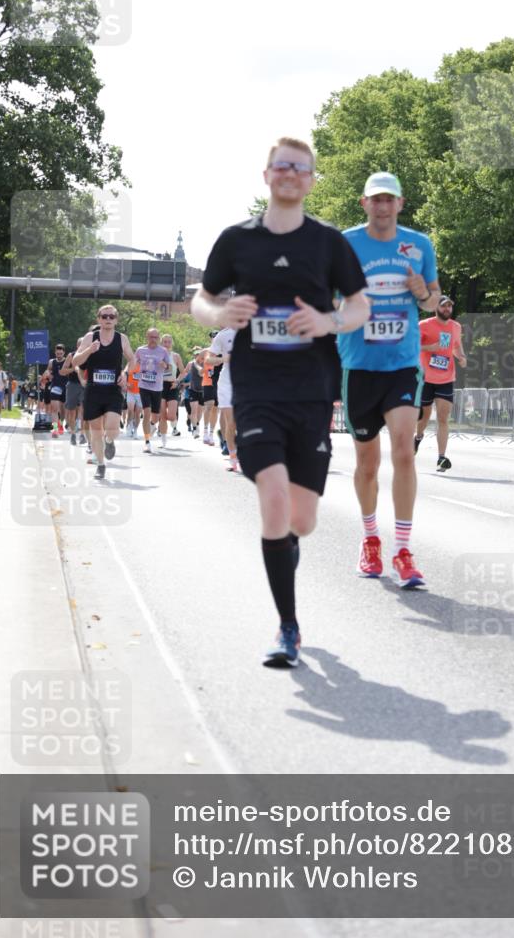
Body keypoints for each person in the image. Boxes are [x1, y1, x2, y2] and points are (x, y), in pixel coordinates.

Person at [191, 136, 369, 668]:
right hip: (256, 390)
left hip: (312, 392)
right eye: (282, 166)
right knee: (271, 497)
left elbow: (359, 305)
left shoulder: (328, 243)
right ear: (267, 175)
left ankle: (284, 550)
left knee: (303, 519)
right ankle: (288, 627)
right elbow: (201, 298)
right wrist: (220, 315)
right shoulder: (237, 241)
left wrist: (329, 322)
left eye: (301, 168)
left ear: (311, 180)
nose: (291, 174)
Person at [339, 171, 441, 588]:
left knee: (403, 451)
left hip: (401, 363)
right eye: (375, 200)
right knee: (367, 464)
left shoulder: (419, 245)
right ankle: (370, 541)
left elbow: (435, 298)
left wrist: (422, 293)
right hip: (359, 364)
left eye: (390, 200)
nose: (382, 206)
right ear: (364, 203)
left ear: (400, 204)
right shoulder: (345, 244)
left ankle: (402, 549)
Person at [73, 306, 133, 479]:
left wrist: (125, 373)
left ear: (116, 319)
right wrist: (89, 350)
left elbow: (133, 359)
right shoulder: (90, 337)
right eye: (104, 316)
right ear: (99, 319)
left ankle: (109, 440)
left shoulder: (122, 339)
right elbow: (76, 361)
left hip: (113, 389)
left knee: (112, 427)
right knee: (96, 430)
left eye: (112, 316)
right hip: (94, 389)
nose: (108, 319)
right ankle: (100, 464)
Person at [414, 296, 466, 469]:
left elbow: (456, 346)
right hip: (425, 378)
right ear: (436, 307)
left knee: (443, 418)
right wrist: (429, 348)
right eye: (444, 306)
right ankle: (418, 437)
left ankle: (441, 457)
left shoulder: (456, 327)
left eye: (450, 307)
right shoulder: (424, 325)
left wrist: (461, 357)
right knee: (425, 416)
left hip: (446, 378)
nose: (447, 309)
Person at [131, 327, 169, 453]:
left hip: (157, 387)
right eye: (151, 337)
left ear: (158, 338)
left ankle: (152, 427)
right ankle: (147, 442)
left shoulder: (163, 351)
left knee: (156, 417)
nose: (153, 340)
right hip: (144, 386)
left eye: (155, 337)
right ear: (147, 337)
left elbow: (168, 367)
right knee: (146, 413)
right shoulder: (140, 350)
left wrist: (164, 365)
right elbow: (133, 362)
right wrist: (126, 371)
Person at [206, 327, 239, 471]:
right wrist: (223, 359)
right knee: (231, 422)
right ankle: (233, 459)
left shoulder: (256, 329)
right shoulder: (223, 335)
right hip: (227, 383)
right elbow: (208, 359)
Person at [158, 333, 185, 444]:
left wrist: (177, 381)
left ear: (172, 343)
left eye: (169, 342)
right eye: (165, 342)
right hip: (160, 386)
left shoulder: (176, 356)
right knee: (163, 414)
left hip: (172, 386)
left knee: (172, 415)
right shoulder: (157, 355)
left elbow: (183, 372)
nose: (167, 344)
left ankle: (174, 427)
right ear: (161, 343)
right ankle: (163, 438)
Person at [61, 339, 86, 444]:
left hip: (85, 385)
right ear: (77, 346)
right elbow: (62, 371)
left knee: (83, 411)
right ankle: (72, 433)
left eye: (84, 344)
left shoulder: (89, 354)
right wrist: (73, 369)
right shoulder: (71, 355)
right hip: (73, 385)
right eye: (80, 345)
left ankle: (82, 434)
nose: (82, 347)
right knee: (71, 411)